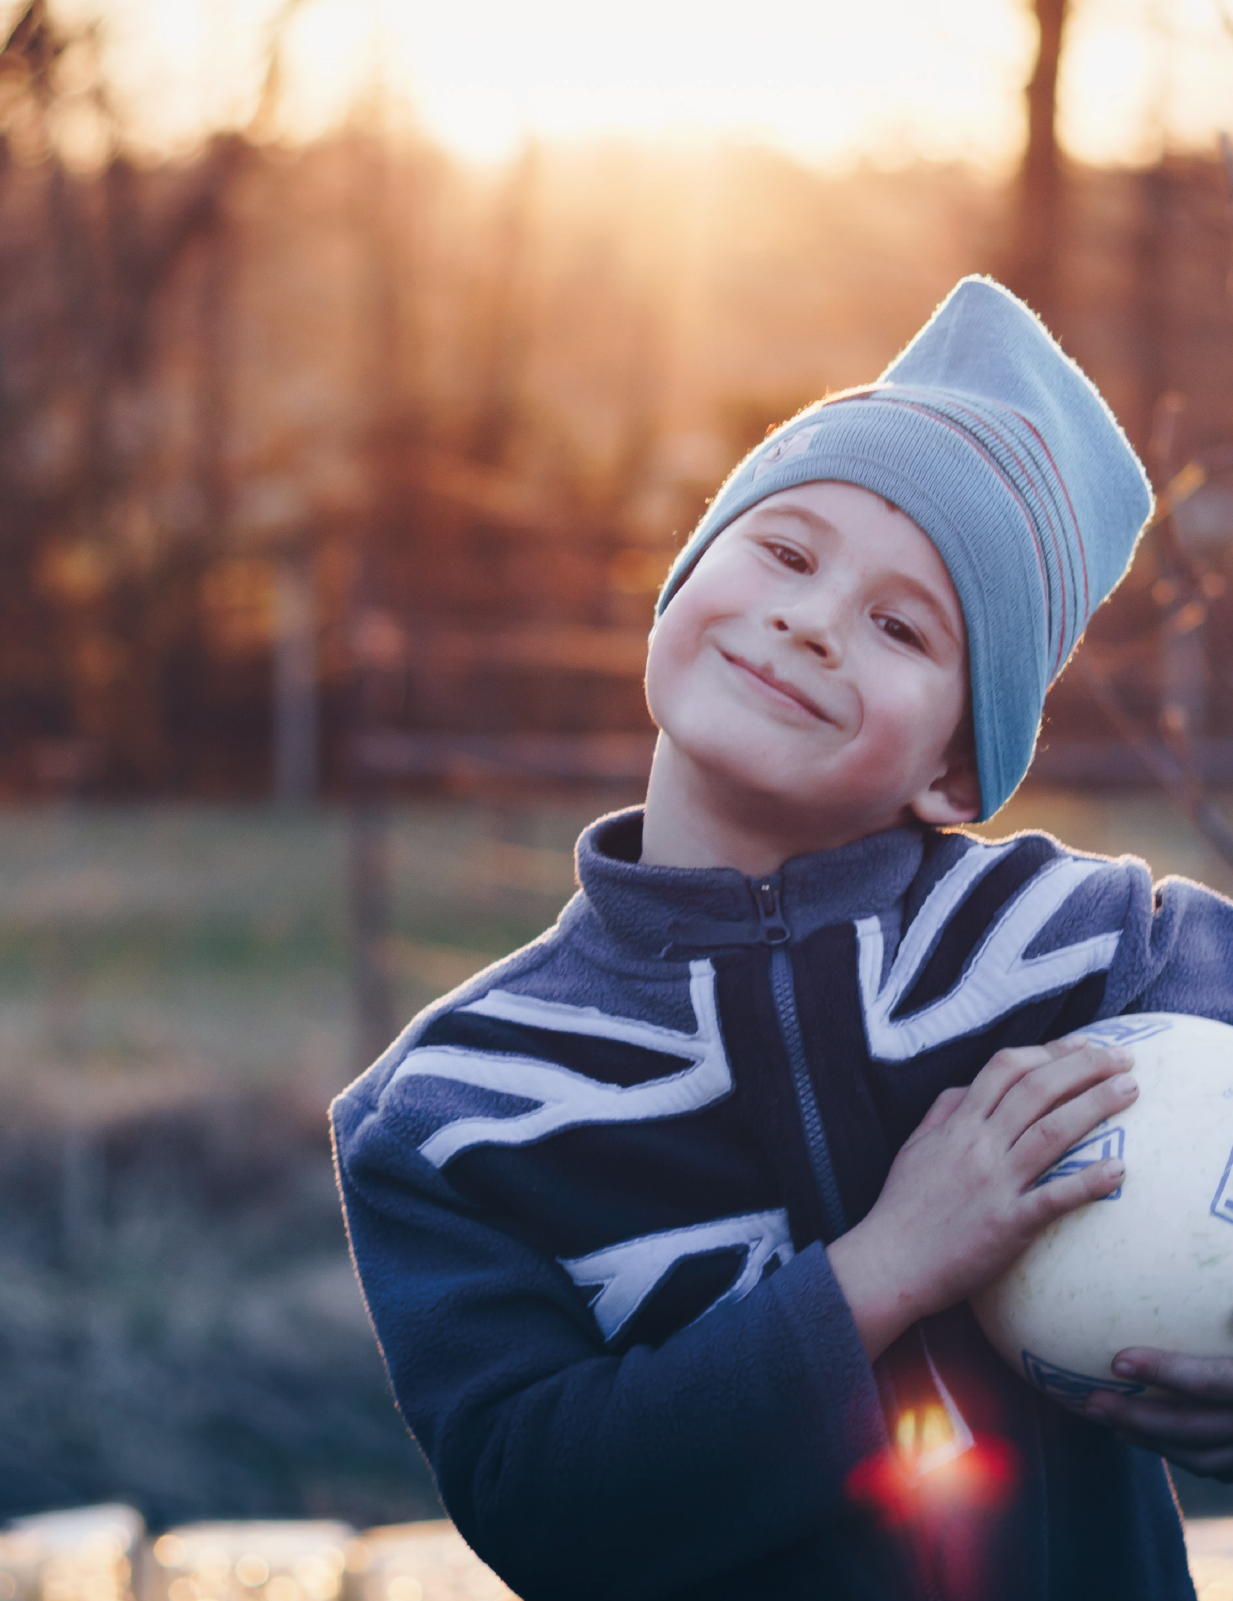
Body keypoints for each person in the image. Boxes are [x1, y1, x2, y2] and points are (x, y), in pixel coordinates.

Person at [331, 277, 1233, 1600]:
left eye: (900, 625)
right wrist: (881, 1270)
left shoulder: (1092, 952)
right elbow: (546, 1507)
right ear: (682, 584)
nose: (810, 619)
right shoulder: (456, 1111)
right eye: (786, 553)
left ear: (952, 770)